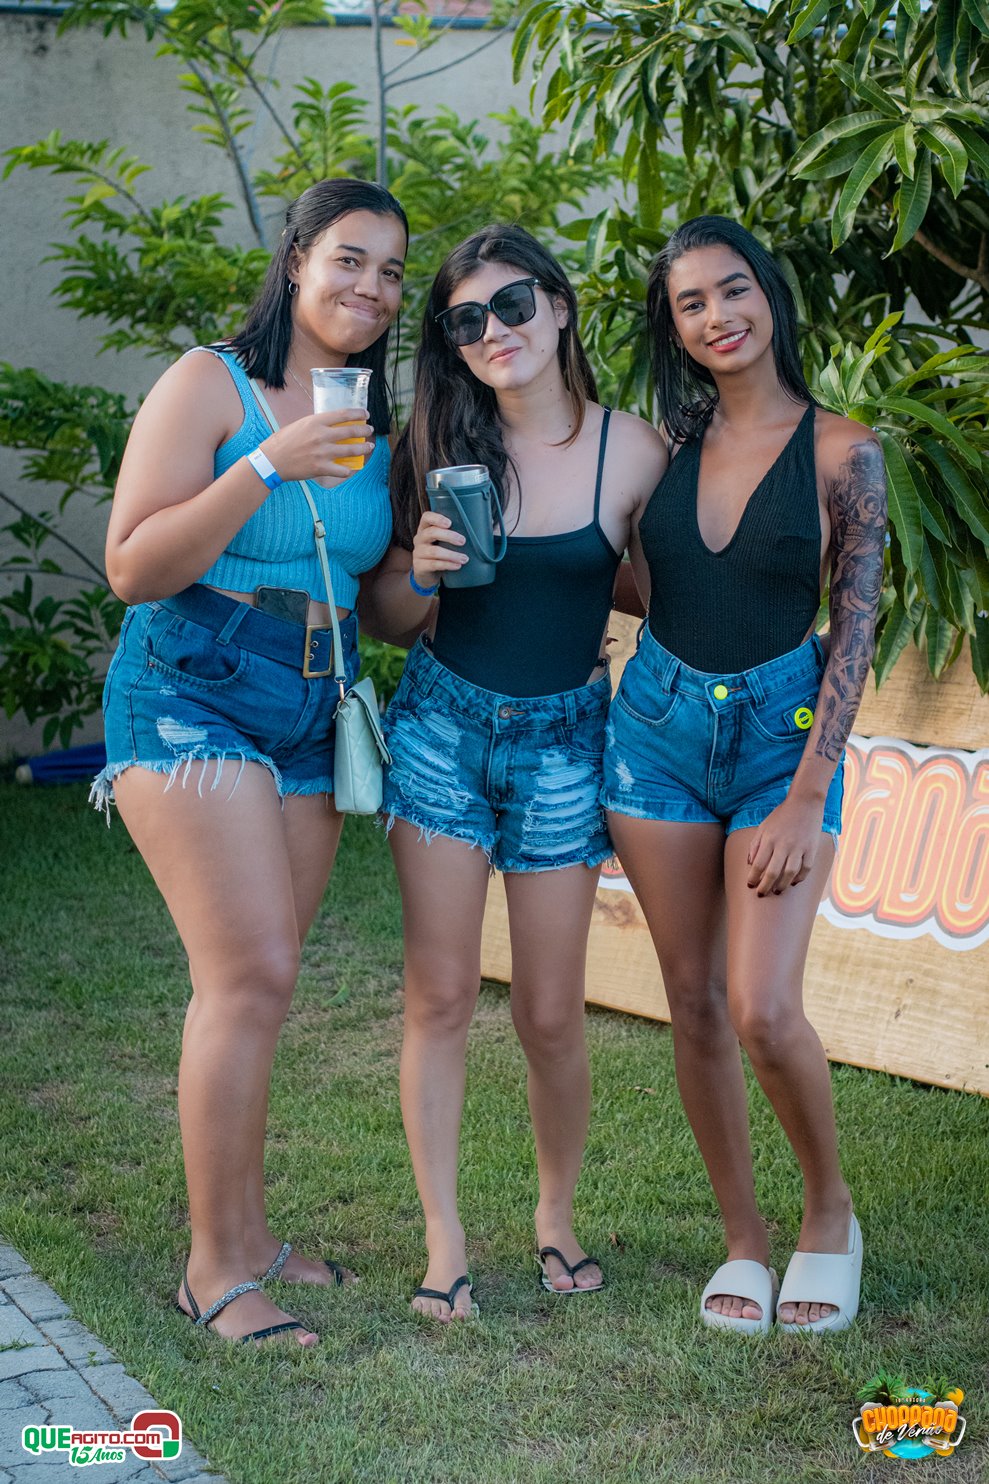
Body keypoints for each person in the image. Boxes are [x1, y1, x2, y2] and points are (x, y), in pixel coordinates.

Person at [90, 178, 409, 1346]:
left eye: (390, 271)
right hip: (194, 682)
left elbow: (375, 594)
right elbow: (133, 566)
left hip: (318, 697)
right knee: (248, 971)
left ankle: (252, 1232)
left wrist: (423, 569)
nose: (369, 287)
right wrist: (266, 464)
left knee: (265, 985)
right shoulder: (207, 382)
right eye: (348, 259)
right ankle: (214, 1268)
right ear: (296, 259)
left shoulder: (370, 418)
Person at [367, 224, 666, 1319]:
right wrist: (421, 574)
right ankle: (443, 1235)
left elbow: (663, 595)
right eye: (464, 320)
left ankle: (554, 1215)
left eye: (511, 305)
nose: (492, 331)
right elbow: (385, 616)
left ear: (558, 304)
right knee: (441, 994)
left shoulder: (634, 451)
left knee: (547, 1010)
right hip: (442, 730)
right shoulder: (435, 445)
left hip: (564, 746)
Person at [602, 216, 886, 1333]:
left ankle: (829, 1213)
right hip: (657, 734)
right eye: (691, 303)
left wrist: (807, 795)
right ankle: (743, 1240)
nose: (717, 315)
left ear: (768, 295)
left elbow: (854, 628)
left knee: (762, 1008)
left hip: (781, 740)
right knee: (691, 1001)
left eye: (732, 290)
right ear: (673, 328)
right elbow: (646, 583)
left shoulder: (843, 452)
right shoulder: (660, 448)